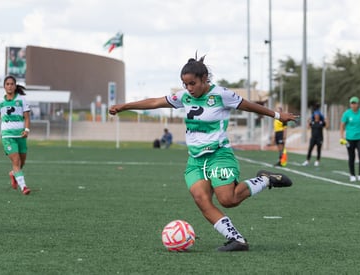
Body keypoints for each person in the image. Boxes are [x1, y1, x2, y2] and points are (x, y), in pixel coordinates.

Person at [109, 55, 297, 251]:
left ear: (204, 78)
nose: (189, 88)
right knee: (201, 199)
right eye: (185, 84)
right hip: (196, 160)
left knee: (228, 200)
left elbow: (249, 106)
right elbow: (155, 102)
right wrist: (125, 106)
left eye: (192, 83)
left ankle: (265, 180)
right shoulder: (184, 97)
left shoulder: (221, 95)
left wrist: (277, 115)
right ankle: (237, 239)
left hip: (219, 155)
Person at [0, 76, 31, 195]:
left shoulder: (21, 100)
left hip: (20, 136)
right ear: (4, 86)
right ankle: (24, 187)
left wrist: (26, 130)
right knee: (16, 161)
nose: (10, 86)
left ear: (15, 86)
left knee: (22, 162)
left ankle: (13, 174)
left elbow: (27, 117)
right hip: (7, 136)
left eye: (12, 84)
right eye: (7, 84)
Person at [340, 96, 360, 182]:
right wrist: (341, 136)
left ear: (358, 104)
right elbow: (342, 125)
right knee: (351, 156)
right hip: (349, 138)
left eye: (355, 103)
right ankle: (352, 175)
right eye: (352, 103)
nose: (353, 105)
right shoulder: (346, 114)